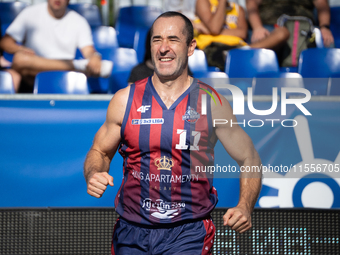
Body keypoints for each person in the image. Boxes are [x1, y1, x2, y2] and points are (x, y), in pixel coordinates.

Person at [84, 11, 262, 254]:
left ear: (191, 47)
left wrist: (245, 205)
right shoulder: (125, 100)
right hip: (131, 231)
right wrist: (94, 172)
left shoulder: (211, 102)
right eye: (157, 40)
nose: (163, 48)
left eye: (173, 40)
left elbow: (249, 158)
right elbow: (99, 152)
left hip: (188, 232)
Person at [0, 0, 112, 93]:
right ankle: (78, 66)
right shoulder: (29, 13)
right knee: (20, 59)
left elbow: (88, 50)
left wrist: (94, 57)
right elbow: (6, 42)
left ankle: (76, 66)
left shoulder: (79, 21)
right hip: (32, 79)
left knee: (21, 60)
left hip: (63, 79)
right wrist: (20, 49)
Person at [193, 0, 289, 71]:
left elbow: (242, 33)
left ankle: (240, 53)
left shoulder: (239, 9)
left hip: (239, 47)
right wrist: (222, 2)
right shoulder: (203, 2)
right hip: (213, 47)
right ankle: (236, 56)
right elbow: (215, 28)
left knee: (282, 32)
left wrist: (209, 31)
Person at [246, 0, 334, 47]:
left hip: (304, 28)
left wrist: (324, 27)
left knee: (328, 42)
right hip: (270, 27)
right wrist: (257, 27)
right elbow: (251, 4)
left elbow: (322, 4)